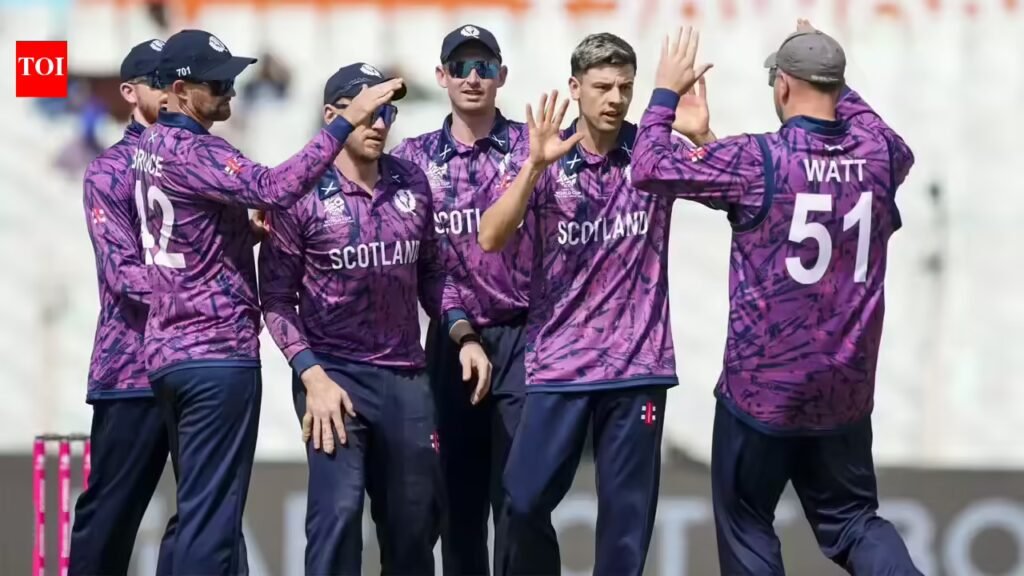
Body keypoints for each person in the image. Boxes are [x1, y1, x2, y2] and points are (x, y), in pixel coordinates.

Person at [631, 23, 921, 576]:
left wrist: (665, 93)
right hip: (844, 391)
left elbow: (648, 167)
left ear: (782, 85)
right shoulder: (881, 154)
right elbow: (880, 142)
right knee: (856, 523)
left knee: (747, 526)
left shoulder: (758, 158)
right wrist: (834, 77)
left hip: (760, 396)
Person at [136, 29, 402, 574]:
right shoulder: (199, 150)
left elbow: (187, 228)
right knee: (212, 518)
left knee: (195, 509)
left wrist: (239, 231)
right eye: (217, 84)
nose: (231, 92)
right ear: (180, 91)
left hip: (167, 352)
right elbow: (276, 188)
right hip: (215, 354)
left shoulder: (149, 148)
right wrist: (344, 123)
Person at [478, 33, 677, 576]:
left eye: (625, 87)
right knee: (521, 500)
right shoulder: (546, 155)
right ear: (575, 87)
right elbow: (490, 236)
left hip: (637, 365)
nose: (615, 98)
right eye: (602, 86)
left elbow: (734, 191)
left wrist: (702, 133)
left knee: (624, 532)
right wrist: (533, 168)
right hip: (560, 362)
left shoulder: (651, 154)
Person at [259, 61, 443, 576]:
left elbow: (433, 272)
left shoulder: (412, 182)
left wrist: (461, 329)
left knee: (413, 526)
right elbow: (276, 299)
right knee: (337, 516)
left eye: (388, 113)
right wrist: (312, 377)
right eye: (367, 112)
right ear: (332, 116)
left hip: (405, 376)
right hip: (333, 376)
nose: (380, 124)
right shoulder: (300, 193)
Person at [390, 24, 545, 575]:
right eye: (461, 67)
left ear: (502, 76)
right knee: (457, 503)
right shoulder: (412, 160)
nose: (473, 77)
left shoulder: (533, 147)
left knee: (522, 500)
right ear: (442, 76)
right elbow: (416, 260)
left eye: (484, 67)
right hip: (452, 340)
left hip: (525, 336)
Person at [70, 38, 178, 576]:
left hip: (201, 362)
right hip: (132, 367)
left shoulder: (202, 161)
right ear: (130, 92)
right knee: (111, 515)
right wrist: (201, 300)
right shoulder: (109, 170)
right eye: (159, 81)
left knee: (210, 513)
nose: (171, 91)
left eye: (178, 80)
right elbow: (122, 272)